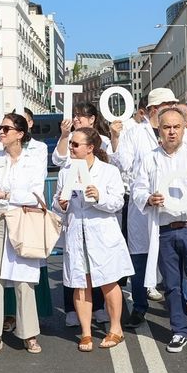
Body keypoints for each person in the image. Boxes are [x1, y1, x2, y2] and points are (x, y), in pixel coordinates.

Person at [132, 108, 187, 353]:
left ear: (184, 128)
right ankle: (179, 330)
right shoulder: (150, 158)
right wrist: (150, 198)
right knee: (172, 284)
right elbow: (137, 189)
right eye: (166, 127)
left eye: (176, 127)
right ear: (158, 130)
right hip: (164, 230)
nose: (171, 132)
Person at [0, 114, 44, 356]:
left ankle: (29, 334)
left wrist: (6, 194)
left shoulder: (33, 160)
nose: (0, 132)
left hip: (21, 220)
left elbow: (35, 194)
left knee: (24, 279)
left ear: (20, 134)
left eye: (6, 128)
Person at [54, 127, 132, 351]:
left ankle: (116, 328)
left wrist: (99, 197)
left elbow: (117, 203)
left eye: (76, 144)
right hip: (77, 235)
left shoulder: (108, 171)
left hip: (102, 234)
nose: (71, 148)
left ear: (90, 148)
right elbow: (57, 206)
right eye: (71, 144)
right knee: (80, 284)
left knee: (108, 282)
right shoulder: (64, 173)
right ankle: (86, 333)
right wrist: (61, 205)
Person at [112, 88, 182, 329]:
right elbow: (122, 163)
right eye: (168, 103)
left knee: (170, 258)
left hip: (171, 204)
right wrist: (116, 138)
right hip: (142, 205)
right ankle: (139, 307)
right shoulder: (135, 134)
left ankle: (178, 310)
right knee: (140, 258)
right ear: (154, 109)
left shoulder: (179, 132)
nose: (173, 106)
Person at [52, 103, 112, 328]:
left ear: (92, 119)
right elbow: (58, 160)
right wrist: (65, 136)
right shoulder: (69, 144)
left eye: (81, 116)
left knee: (94, 264)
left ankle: (97, 306)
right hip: (74, 211)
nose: (76, 118)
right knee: (74, 267)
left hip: (95, 215)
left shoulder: (102, 144)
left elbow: (113, 164)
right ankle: (72, 309)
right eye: (75, 115)